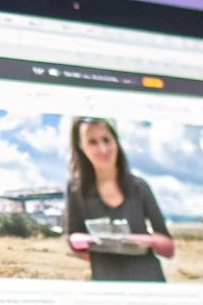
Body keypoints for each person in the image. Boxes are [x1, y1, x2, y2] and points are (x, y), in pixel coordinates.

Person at [63, 117, 174, 282]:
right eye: (92, 142)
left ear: (116, 141)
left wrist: (143, 241)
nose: (103, 148)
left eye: (106, 140)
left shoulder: (139, 187)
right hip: (107, 286)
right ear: (81, 146)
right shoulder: (75, 189)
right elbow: (74, 241)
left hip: (150, 283)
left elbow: (168, 248)